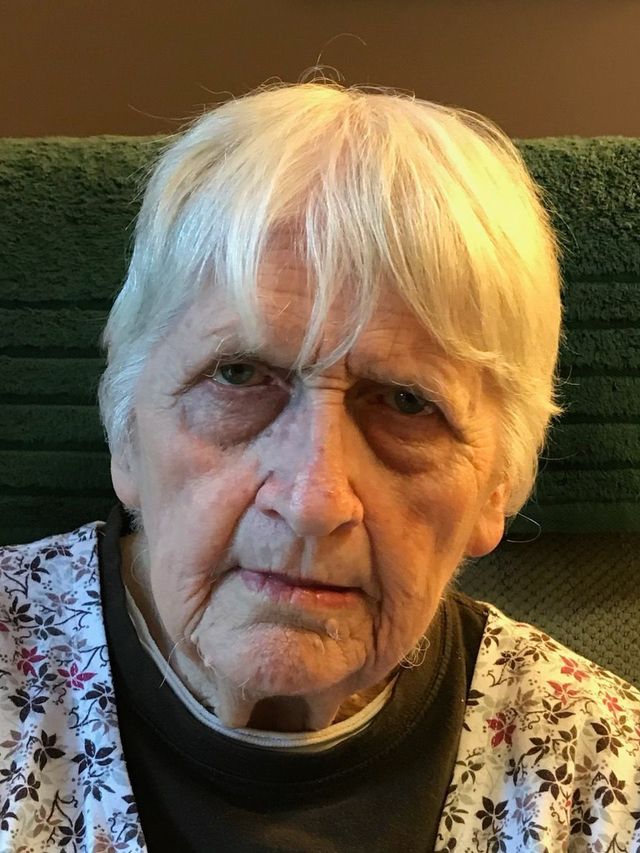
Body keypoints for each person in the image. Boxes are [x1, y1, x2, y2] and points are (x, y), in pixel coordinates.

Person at [1, 80, 639, 853]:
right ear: (128, 431)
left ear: (496, 485)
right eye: (238, 374)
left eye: (407, 402)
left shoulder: (601, 774)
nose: (312, 499)